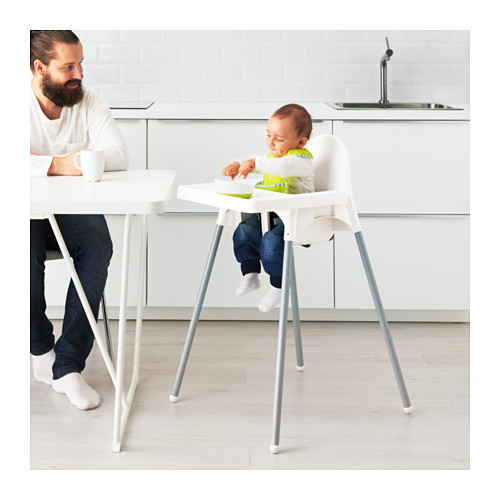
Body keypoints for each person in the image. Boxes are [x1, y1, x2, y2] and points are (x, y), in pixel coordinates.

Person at [30, 31, 129, 410]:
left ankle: (68, 364)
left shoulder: (88, 101)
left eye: (81, 64)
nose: (79, 74)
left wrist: (37, 162)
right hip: (22, 209)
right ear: (40, 68)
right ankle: (41, 350)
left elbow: (118, 155)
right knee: (23, 254)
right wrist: (66, 162)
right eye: (68, 67)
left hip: (71, 209)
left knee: (98, 247)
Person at [221, 104, 314, 312]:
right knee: (244, 230)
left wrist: (254, 164)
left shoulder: (302, 160)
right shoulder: (271, 157)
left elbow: (281, 166)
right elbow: (259, 159)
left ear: (300, 142)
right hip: (270, 212)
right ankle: (250, 273)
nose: (271, 142)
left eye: (278, 139)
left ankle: (278, 286)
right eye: (268, 135)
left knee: (271, 242)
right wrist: (237, 164)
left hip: (295, 217)